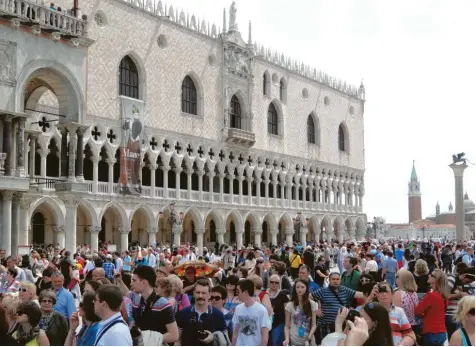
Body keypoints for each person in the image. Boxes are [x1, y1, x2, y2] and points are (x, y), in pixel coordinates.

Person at [130, 266, 178, 344]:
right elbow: (134, 324)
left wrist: (148, 340)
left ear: (144, 282)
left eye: (134, 280)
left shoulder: (163, 304)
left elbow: (174, 335)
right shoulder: (136, 301)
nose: (131, 283)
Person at [176, 279, 227, 345]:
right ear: (193, 293)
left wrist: (213, 337)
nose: (200, 296)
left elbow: (225, 340)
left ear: (209, 295)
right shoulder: (183, 313)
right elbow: (177, 340)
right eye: (198, 292)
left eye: (203, 293)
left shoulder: (218, 315)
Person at [415, 269, 449, 346]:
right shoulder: (444, 296)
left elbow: (417, 311)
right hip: (442, 332)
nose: (429, 275)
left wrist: (425, 315)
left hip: (431, 331)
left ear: (436, 280)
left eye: (432, 275)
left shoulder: (431, 295)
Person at [232, 278, 270, 346]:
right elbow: (236, 331)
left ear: (245, 292)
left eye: (238, 291)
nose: (237, 294)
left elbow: (265, 338)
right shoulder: (238, 308)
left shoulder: (261, 310)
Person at [284, 279, 317, 346]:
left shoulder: (312, 304)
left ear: (306, 288)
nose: (300, 289)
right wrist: (287, 339)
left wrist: (308, 339)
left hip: (309, 340)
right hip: (294, 340)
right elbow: (286, 326)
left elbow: (314, 325)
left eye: (302, 287)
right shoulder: (290, 305)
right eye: (297, 287)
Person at [267, 274, 288, 346]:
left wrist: (288, 324)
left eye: (276, 282)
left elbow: (287, 311)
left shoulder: (283, 295)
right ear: (269, 282)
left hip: (278, 323)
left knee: (275, 343)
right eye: (272, 282)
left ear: (279, 284)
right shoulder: (264, 293)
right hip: (265, 324)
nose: (274, 284)